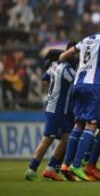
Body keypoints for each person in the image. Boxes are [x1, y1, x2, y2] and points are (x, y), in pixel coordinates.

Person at [59, 18, 100, 180]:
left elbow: (64, 55)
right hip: (93, 86)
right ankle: (77, 165)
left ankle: (66, 164)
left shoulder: (85, 40)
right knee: (91, 124)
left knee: (78, 124)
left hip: (78, 84)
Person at [24, 43, 77, 181]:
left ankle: (50, 168)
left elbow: (45, 77)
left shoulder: (54, 66)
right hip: (57, 110)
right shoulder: (67, 70)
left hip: (56, 108)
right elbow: (78, 82)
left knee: (67, 137)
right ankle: (32, 168)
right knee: (47, 139)